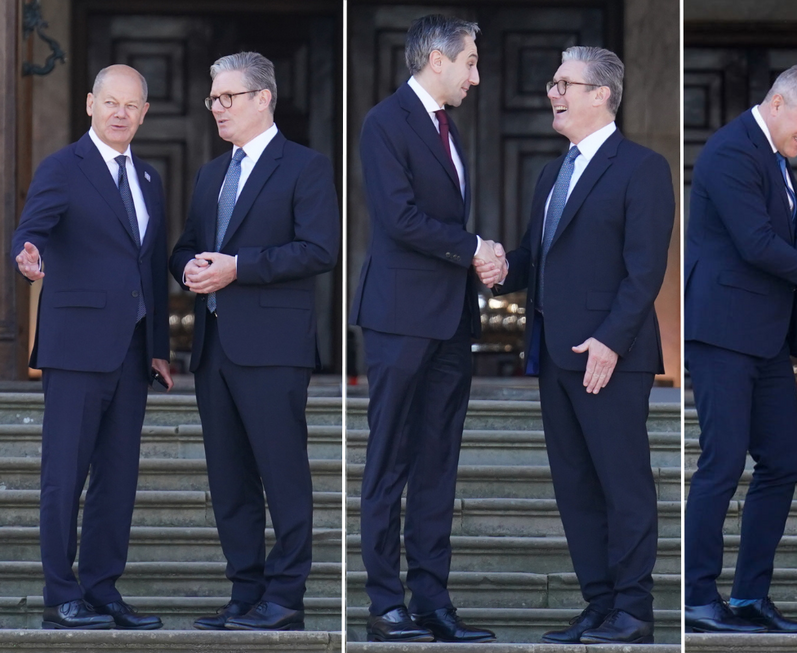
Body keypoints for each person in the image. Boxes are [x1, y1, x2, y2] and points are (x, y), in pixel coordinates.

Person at [477, 46, 673, 644]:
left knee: (623, 483)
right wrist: (493, 264)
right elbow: (535, 258)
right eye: (553, 82)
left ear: (601, 95)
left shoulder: (643, 167)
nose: (553, 92)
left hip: (613, 356)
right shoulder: (551, 171)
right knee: (576, 486)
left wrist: (611, 341)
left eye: (566, 83)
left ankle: (634, 610)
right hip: (555, 353)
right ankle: (600, 601)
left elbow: (645, 271)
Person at [683, 65, 797, 633]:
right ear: (778, 102)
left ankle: (748, 598)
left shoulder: (776, 159)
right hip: (721, 334)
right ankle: (696, 598)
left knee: (784, 460)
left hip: (762, 339)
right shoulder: (732, 151)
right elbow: (757, 244)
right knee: (722, 461)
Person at [169, 52, 339, 631]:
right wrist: (189, 267)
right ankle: (245, 592)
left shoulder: (306, 167)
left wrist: (239, 267)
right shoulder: (211, 173)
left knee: (282, 475)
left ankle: (285, 597)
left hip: (273, 348)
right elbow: (186, 244)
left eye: (228, 98)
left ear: (263, 98)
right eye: (213, 99)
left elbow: (319, 250)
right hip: (214, 346)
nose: (217, 108)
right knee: (230, 479)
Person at [350, 14, 498, 643]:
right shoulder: (385, 122)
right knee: (389, 463)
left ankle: (432, 603)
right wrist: (473, 249)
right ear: (436, 59)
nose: (476, 74)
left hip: (448, 321)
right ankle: (386, 605)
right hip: (398, 320)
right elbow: (401, 219)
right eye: (469, 61)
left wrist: (474, 257)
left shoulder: (448, 129)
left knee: (438, 464)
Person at [10, 64, 173, 630]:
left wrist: (157, 346)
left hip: (130, 351)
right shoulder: (64, 167)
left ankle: (103, 589)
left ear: (144, 112)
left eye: (132, 105)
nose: (121, 112)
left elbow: (150, 265)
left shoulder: (150, 178)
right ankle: (62, 594)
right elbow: (32, 230)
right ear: (89, 104)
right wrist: (28, 255)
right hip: (76, 348)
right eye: (111, 102)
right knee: (65, 472)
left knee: (117, 475)